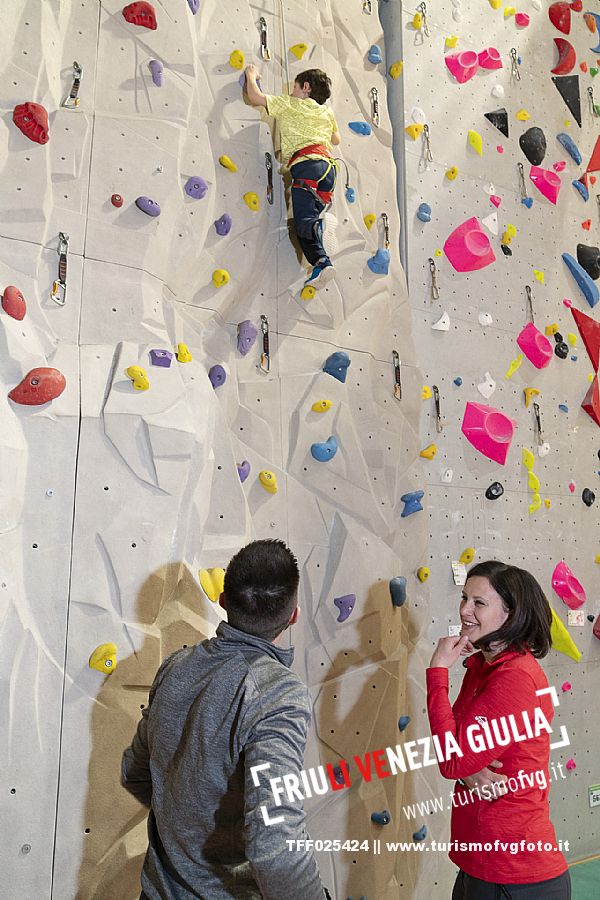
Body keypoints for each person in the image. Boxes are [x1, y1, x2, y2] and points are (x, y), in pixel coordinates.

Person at [121, 539, 330, 900]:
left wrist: (186, 831)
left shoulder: (174, 667)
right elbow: (276, 846)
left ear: (222, 602)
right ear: (293, 615)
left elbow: (135, 772)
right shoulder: (278, 693)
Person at [426, 560, 570, 900]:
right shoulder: (481, 668)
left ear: (512, 613)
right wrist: (466, 773)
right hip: (481, 864)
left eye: (479, 603)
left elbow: (451, 760)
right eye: (464, 598)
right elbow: (459, 754)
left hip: (515, 874)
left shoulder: (515, 679)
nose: (464, 610)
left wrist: (437, 673)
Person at [244, 64, 341, 290]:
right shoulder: (327, 112)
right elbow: (336, 139)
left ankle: (320, 245)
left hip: (307, 167)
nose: (292, 92)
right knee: (306, 219)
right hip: (328, 169)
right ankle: (321, 245)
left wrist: (251, 75)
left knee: (304, 222)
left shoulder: (290, 104)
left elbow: (255, 96)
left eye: (295, 87)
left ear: (305, 87)